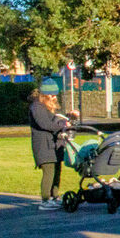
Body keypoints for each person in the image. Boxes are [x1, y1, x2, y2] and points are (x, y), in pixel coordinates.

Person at [29, 83, 78, 211]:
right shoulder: (37, 107)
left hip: (55, 145)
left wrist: (69, 117)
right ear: (44, 95)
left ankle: (54, 197)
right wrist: (63, 125)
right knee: (49, 172)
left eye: (55, 95)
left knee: (57, 171)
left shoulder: (46, 107)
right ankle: (45, 200)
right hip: (44, 146)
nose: (54, 98)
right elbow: (45, 124)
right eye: (52, 95)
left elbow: (55, 120)